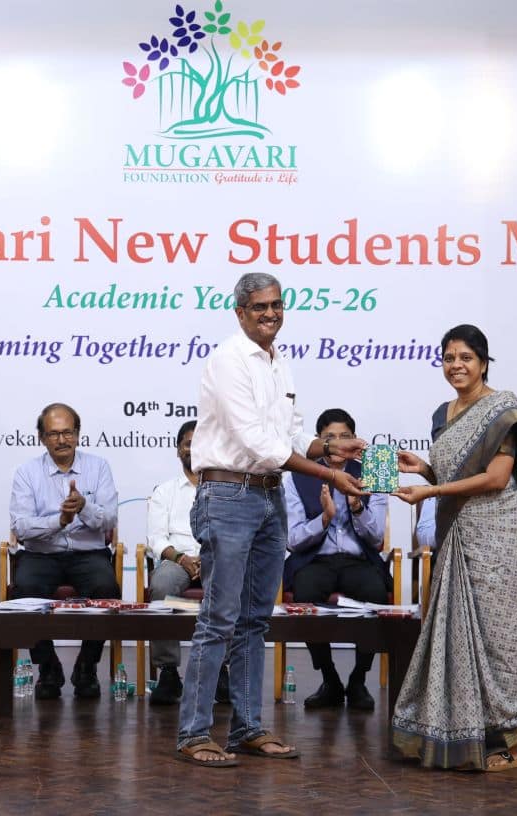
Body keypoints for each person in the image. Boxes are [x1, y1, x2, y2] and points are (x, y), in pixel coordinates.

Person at [175, 272, 367, 768]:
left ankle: (247, 728)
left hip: (268, 496)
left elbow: (293, 435)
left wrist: (332, 448)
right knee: (219, 617)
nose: (270, 314)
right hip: (228, 495)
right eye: (260, 306)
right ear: (240, 312)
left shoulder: (280, 363)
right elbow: (258, 443)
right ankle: (194, 733)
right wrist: (328, 471)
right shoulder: (228, 360)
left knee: (255, 619)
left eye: (277, 305)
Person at [389, 324, 517, 772]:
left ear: (484, 362)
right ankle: (461, 732)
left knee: (502, 641)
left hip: (506, 537)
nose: (456, 365)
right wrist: (426, 470)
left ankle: (506, 741)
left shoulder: (504, 411)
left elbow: (495, 478)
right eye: (449, 358)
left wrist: (431, 492)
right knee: (461, 636)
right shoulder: (442, 413)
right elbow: (458, 476)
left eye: (466, 357)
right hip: (463, 533)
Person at [10, 402, 120, 700]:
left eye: (68, 432)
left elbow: (110, 519)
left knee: (106, 588)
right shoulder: (27, 473)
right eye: (54, 434)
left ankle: (87, 666)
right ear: (41, 437)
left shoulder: (98, 467)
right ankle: (48, 667)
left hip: (88, 554)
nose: (62, 440)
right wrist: (59, 521)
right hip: (41, 554)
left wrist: (84, 507)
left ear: (78, 434)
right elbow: (21, 527)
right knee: (24, 590)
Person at [283, 408, 389, 711]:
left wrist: (357, 508)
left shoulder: (374, 470)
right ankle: (329, 678)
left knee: (376, 593)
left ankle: (358, 679)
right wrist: (325, 518)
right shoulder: (296, 476)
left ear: (355, 438)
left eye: (346, 436)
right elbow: (293, 540)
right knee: (304, 595)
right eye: (331, 438)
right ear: (319, 441)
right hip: (315, 561)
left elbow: (376, 539)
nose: (340, 443)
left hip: (359, 560)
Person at [146, 420, 229, 706]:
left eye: (200, 443)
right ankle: (168, 671)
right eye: (187, 444)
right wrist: (182, 558)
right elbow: (156, 539)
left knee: (230, 587)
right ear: (178, 449)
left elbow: (234, 534)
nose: (193, 449)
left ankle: (221, 668)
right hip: (177, 560)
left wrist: (211, 557)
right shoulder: (165, 491)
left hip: (217, 558)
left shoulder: (227, 489)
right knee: (161, 586)